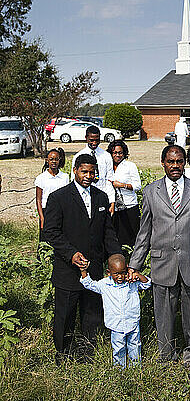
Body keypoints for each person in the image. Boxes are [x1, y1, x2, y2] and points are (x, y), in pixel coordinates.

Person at [128, 145, 190, 383]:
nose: (175, 166)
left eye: (179, 161)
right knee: (164, 316)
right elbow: (144, 232)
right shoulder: (150, 192)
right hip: (162, 263)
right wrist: (134, 264)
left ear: (184, 163)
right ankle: (166, 358)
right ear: (163, 162)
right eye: (170, 161)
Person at [43, 153, 122, 363]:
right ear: (75, 171)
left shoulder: (101, 197)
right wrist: (71, 254)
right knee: (65, 315)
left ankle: (88, 353)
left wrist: (116, 259)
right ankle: (63, 354)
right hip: (68, 271)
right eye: (84, 171)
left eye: (92, 172)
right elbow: (51, 232)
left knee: (92, 313)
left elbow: (108, 233)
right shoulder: (58, 197)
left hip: (94, 269)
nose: (88, 176)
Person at [80, 253, 151, 368]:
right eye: (116, 274)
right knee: (118, 348)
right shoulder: (104, 285)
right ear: (109, 272)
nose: (120, 277)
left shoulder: (131, 282)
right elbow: (88, 284)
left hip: (132, 321)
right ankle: (119, 369)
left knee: (135, 345)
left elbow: (147, 284)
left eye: (123, 272)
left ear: (127, 269)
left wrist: (137, 274)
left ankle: (136, 368)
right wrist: (83, 271)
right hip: (116, 324)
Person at [107, 139, 141, 248]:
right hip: (113, 207)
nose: (117, 155)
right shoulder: (108, 166)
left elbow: (137, 186)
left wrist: (122, 185)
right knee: (115, 237)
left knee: (131, 238)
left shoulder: (130, 166)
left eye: (120, 152)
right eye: (115, 153)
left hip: (129, 206)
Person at [71, 125, 114, 206]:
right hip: (84, 196)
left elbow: (109, 179)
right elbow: (74, 179)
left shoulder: (106, 156)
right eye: (91, 140)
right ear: (86, 138)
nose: (94, 143)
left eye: (97, 140)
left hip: (101, 195)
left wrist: (111, 200)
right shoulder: (78, 156)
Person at [35, 148, 69, 242]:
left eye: (56, 159)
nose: (54, 162)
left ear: (59, 160)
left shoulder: (65, 177)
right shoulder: (41, 178)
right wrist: (42, 218)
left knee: (60, 237)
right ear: (47, 160)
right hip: (47, 211)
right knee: (45, 239)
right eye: (51, 159)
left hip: (61, 211)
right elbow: (38, 200)